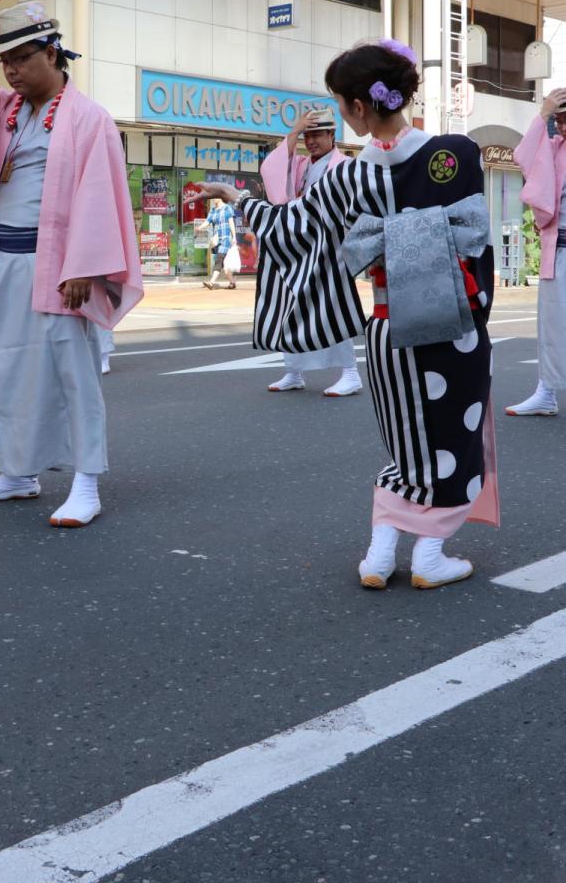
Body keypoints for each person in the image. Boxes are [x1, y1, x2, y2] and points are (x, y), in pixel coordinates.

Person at [198, 40, 498, 590]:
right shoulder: (453, 153)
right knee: (452, 440)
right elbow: (474, 236)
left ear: (359, 108)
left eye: (340, 102)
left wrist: (236, 197)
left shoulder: (345, 178)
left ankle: (380, 555)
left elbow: (288, 228)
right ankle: (430, 553)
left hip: (387, 329)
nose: (339, 113)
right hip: (452, 328)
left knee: (405, 442)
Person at [0, 0, 143, 526]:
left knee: (72, 374)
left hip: (60, 266)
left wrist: (85, 266)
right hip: (4, 258)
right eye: (4, 62)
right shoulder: (5, 108)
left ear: (54, 53)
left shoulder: (87, 118)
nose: (11, 70)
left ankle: (87, 481)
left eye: (22, 58)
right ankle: (17, 471)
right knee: (6, 369)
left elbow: (100, 194)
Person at [261, 109, 362, 398]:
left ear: (332, 135)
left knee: (333, 307)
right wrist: (293, 132)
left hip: (330, 247)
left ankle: (351, 373)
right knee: (290, 308)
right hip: (299, 246)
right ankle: (294, 371)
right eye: (308, 135)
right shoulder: (302, 164)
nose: (312, 140)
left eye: (318, 134)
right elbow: (272, 172)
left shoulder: (345, 166)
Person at [506, 87, 566, 417]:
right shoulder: (554, 147)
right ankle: (546, 392)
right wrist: (543, 115)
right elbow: (523, 156)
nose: (563, 124)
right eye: (561, 118)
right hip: (558, 249)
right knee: (552, 325)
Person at [200, 197, 237, 289]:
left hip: (226, 239)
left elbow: (231, 223)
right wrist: (199, 227)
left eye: (215, 197)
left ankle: (211, 282)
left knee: (219, 260)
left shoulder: (227, 208)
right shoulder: (213, 210)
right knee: (224, 266)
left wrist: (234, 237)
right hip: (216, 240)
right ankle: (232, 282)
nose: (213, 199)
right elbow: (207, 221)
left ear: (220, 198)